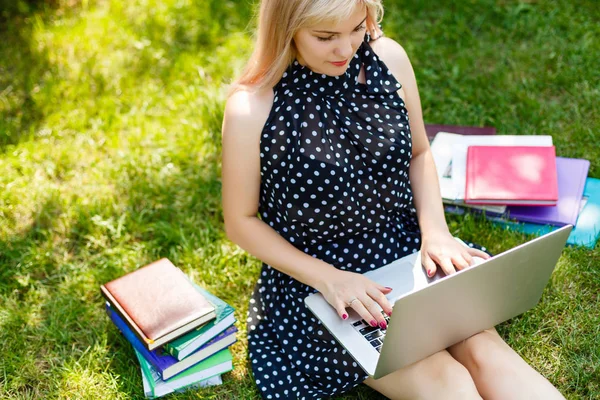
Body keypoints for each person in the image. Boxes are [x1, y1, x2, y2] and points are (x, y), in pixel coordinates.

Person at [221, 0, 566, 399]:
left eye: (355, 28)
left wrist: (435, 231)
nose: (347, 49)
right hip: (320, 282)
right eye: (325, 37)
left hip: (407, 252)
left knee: (485, 352)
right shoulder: (252, 107)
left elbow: (420, 153)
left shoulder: (388, 59)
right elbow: (241, 221)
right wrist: (328, 278)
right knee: (446, 382)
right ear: (286, 30)